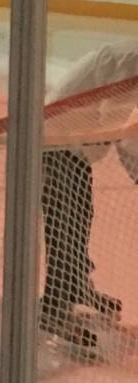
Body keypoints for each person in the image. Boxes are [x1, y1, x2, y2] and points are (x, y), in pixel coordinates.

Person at [37, 45, 137, 340]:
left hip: (73, 146)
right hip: (58, 142)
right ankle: (54, 310)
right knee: (64, 228)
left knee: (80, 218)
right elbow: (118, 123)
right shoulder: (131, 62)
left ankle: (77, 285)